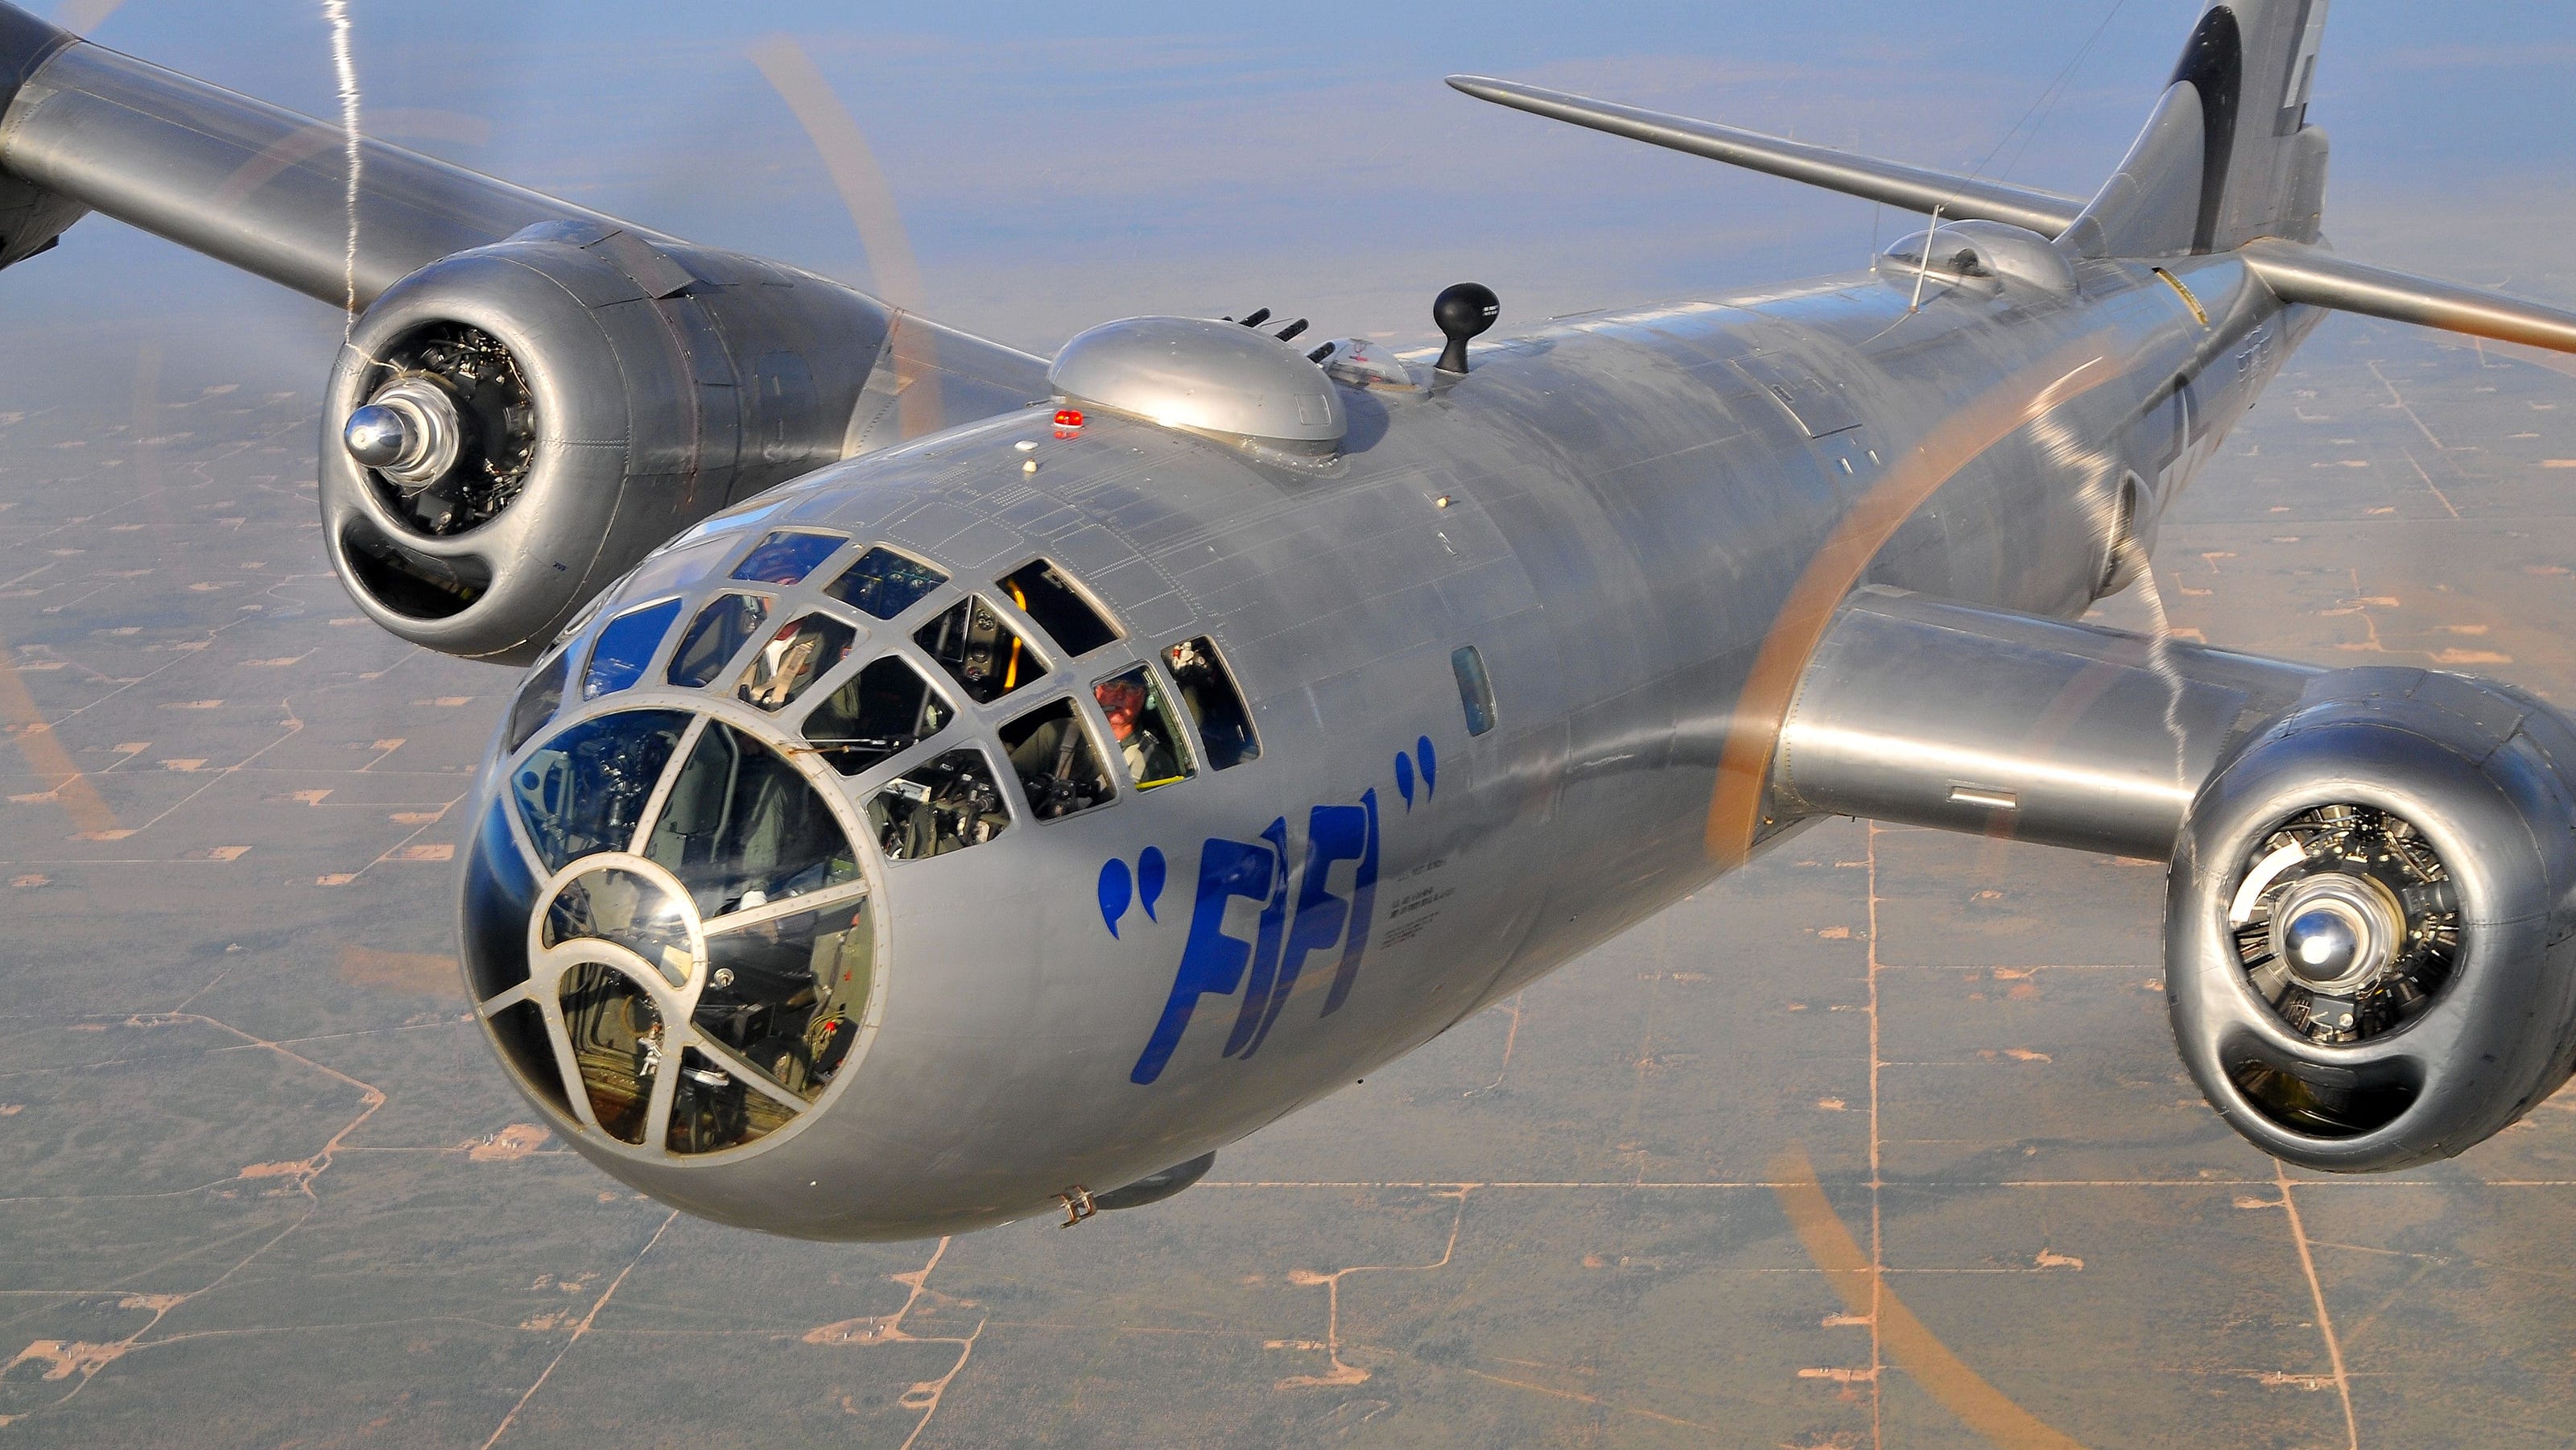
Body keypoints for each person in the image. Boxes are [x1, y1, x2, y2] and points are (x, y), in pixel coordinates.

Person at [1096, 674, 1179, 786]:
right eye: (1111, 685)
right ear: (1096, 690)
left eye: (1131, 688)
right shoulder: (1066, 729)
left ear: (1145, 698)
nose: (1119, 695)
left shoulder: (1155, 761)